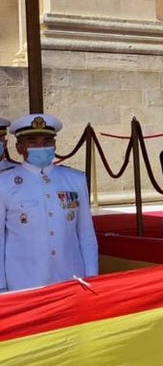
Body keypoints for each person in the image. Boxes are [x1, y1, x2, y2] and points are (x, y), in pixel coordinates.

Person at [0, 114, 98, 293]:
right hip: (24, 282)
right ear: (19, 147)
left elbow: (85, 233)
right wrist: (1, 285)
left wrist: (92, 274)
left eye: (47, 141)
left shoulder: (75, 180)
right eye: (32, 142)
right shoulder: (4, 184)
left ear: (54, 145)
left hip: (69, 277)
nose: (41, 147)